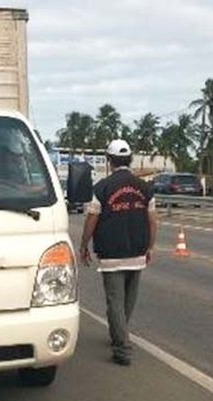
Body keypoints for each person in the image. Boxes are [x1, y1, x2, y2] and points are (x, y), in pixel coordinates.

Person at [79, 139, 157, 366]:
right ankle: (119, 334)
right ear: (129, 159)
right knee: (128, 299)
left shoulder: (102, 188)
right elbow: (153, 221)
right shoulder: (145, 188)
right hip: (137, 250)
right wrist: (150, 246)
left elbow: (92, 218)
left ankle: (122, 347)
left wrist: (84, 244)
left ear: (109, 160)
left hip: (112, 253)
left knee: (115, 300)